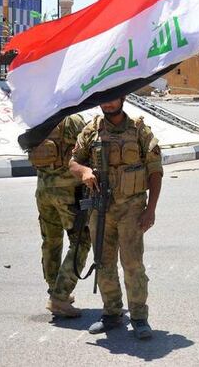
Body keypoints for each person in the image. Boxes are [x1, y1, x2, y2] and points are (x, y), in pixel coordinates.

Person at [69, 97, 163, 339]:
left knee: (132, 264)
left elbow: (155, 171)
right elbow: (73, 162)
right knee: (103, 262)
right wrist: (85, 172)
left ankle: (140, 317)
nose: (108, 104)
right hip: (101, 209)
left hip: (131, 209)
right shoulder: (91, 130)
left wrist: (150, 209)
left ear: (122, 99)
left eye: (112, 99)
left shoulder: (139, 130)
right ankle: (112, 313)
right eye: (104, 100)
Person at [30, 114, 90, 318]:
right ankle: (60, 297)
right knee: (81, 241)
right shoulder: (72, 120)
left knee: (51, 241)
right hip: (68, 194)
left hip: (43, 190)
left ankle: (54, 289)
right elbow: (89, 148)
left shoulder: (38, 119)